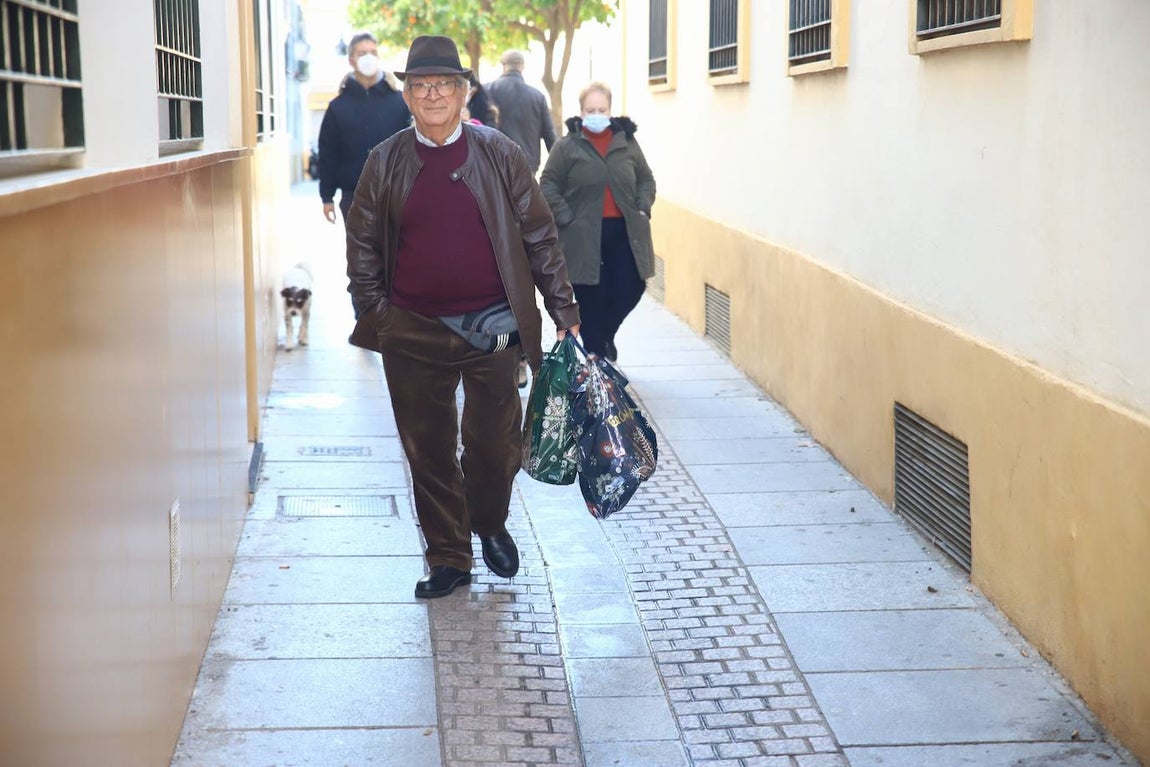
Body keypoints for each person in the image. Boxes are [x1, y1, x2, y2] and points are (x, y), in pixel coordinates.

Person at [344, 35, 581, 600]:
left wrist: (563, 308)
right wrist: (379, 315)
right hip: (412, 330)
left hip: (493, 327)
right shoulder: (385, 161)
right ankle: (449, 556)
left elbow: (539, 235)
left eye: (443, 85)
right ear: (407, 96)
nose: (432, 95)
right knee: (428, 451)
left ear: (463, 92)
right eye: (420, 85)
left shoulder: (500, 153)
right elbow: (362, 245)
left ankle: (490, 521)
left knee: (496, 446)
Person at [540, 81, 656, 362]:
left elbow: (646, 179)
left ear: (610, 110)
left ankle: (605, 336)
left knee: (632, 287)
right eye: (590, 110)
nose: (596, 114)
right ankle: (596, 360)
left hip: (624, 232)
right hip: (582, 235)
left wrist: (642, 207)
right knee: (591, 296)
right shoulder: (567, 146)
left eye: (601, 109)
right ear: (581, 112)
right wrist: (565, 217)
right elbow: (548, 184)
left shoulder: (626, 142)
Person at [317, 32, 411, 224]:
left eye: (373, 52)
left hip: (395, 195)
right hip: (353, 197)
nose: (369, 58)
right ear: (351, 59)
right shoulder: (338, 107)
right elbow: (328, 153)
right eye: (362, 53)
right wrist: (327, 197)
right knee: (358, 245)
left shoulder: (400, 102)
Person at [485, 50, 556, 175]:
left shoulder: (486, 91)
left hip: (494, 165)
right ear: (522, 67)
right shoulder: (537, 97)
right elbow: (550, 136)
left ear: (503, 66)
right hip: (527, 167)